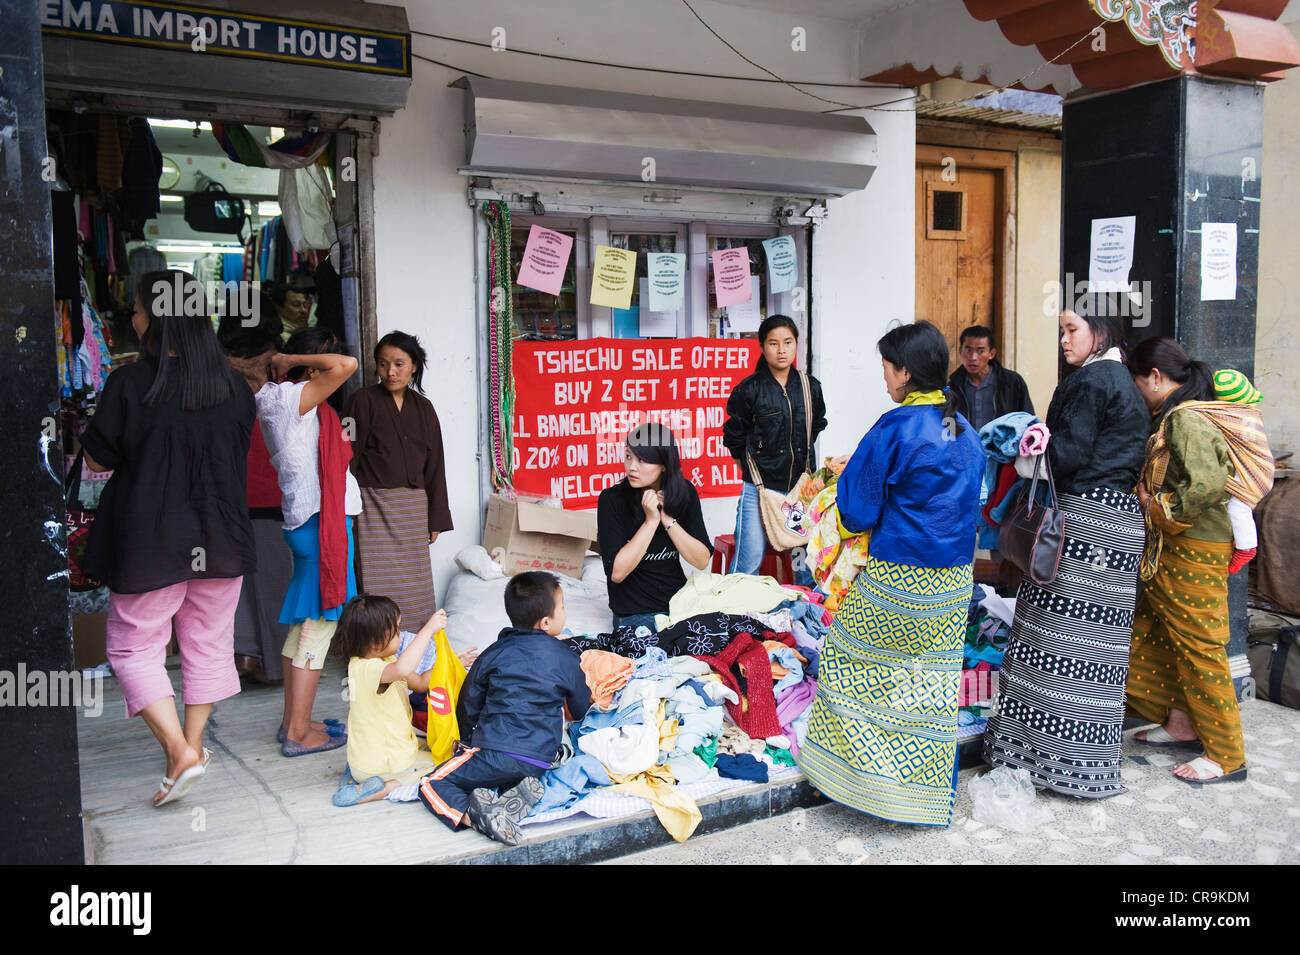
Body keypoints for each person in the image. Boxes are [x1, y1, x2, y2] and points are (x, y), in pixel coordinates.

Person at [795, 321, 985, 826]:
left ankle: (863, 786)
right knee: (928, 686)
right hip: (952, 586)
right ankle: (921, 798)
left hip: (899, 579)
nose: (882, 375)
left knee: (849, 665)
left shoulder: (895, 427)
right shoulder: (961, 428)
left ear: (904, 371)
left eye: (885, 365)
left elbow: (857, 511)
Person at [81, 270, 256, 807]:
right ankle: (191, 750)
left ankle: (179, 751)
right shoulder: (234, 386)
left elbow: (95, 458)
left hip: (150, 538)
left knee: (135, 646)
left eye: (135, 310)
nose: (131, 319)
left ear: (156, 318)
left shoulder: (131, 383)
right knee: (205, 645)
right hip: (222, 537)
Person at [984, 309, 1150, 798]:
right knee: (1097, 652)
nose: (1063, 339)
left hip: (1082, 523)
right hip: (1118, 526)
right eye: (1061, 330)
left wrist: (1019, 451)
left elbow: (1066, 456)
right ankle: (1085, 764)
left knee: (1053, 645)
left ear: (1100, 334)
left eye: (1072, 330)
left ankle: (1038, 762)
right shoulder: (1125, 384)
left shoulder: (1090, 380)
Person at [1124, 338, 1271, 786]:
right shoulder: (1180, 414)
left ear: (1154, 377)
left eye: (1137, 381)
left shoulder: (1185, 417)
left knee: (1200, 648)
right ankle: (1182, 724)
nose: (1136, 391)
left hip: (1194, 551)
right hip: (1177, 552)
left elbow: (1207, 484)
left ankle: (1228, 756)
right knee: (1161, 638)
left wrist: (1158, 508)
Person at [417, 572, 591, 844]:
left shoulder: (494, 653)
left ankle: (473, 816)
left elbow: (468, 702)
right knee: (503, 770)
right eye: (563, 605)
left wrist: (467, 743)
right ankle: (508, 792)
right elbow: (580, 707)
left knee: (432, 783)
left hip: (496, 751)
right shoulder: (566, 658)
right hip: (541, 758)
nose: (565, 610)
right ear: (546, 622)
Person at [256, 327, 360, 756]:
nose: (328, 368)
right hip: (320, 527)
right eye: (320, 359)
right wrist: (288, 359)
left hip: (314, 523)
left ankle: (292, 722)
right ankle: (299, 733)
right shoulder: (288, 399)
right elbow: (347, 366)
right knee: (317, 629)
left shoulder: (287, 401)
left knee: (304, 625)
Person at [343, 332, 453, 624]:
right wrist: (347, 509)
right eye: (383, 364)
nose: (390, 372)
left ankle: (415, 650)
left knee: (415, 585)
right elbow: (346, 455)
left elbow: (435, 466)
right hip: (373, 508)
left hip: (413, 511)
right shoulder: (360, 402)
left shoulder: (424, 409)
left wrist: (435, 518)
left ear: (414, 366)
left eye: (398, 364)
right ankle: (377, 649)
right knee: (375, 584)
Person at [722, 314, 827, 576]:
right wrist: (750, 469)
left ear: (796, 345)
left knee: (804, 565)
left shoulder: (810, 387)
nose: (781, 350)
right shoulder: (749, 389)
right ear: (762, 346)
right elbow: (734, 436)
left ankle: (804, 614)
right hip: (758, 489)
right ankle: (736, 615)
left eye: (788, 342)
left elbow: (816, 425)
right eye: (773, 343)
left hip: (800, 490)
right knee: (749, 562)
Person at [222, 325, 293, 684]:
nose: (276, 362)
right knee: (265, 585)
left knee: (249, 584)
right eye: (271, 356)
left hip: (242, 499)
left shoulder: (226, 393)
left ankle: (249, 656)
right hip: (263, 500)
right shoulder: (273, 395)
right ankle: (269, 663)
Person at [328, 596, 449, 807]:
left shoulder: (386, 662)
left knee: (433, 748)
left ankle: (368, 777)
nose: (401, 635)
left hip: (373, 758)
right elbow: (403, 669)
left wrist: (451, 663)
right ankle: (389, 786)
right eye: (396, 631)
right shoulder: (366, 669)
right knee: (445, 766)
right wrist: (427, 631)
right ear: (374, 642)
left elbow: (420, 683)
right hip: (385, 762)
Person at [597, 423, 713, 631]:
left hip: (679, 604)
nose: (631, 466)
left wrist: (668, 520)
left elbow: (701, 560)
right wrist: (650, 522)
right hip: (635, 613)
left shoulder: (684, 493)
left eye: (642, 460)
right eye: (628, 456)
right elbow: (617, 572)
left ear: (664, 464)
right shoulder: (611, 500)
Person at [946, 325, 1035, 431]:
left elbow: (1028, 421)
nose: (973, 357)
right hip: (967, 447)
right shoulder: (952, 386)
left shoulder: (1012, 383)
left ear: (991, 353)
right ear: (960, 351)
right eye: (968, 350)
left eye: (980, 351)